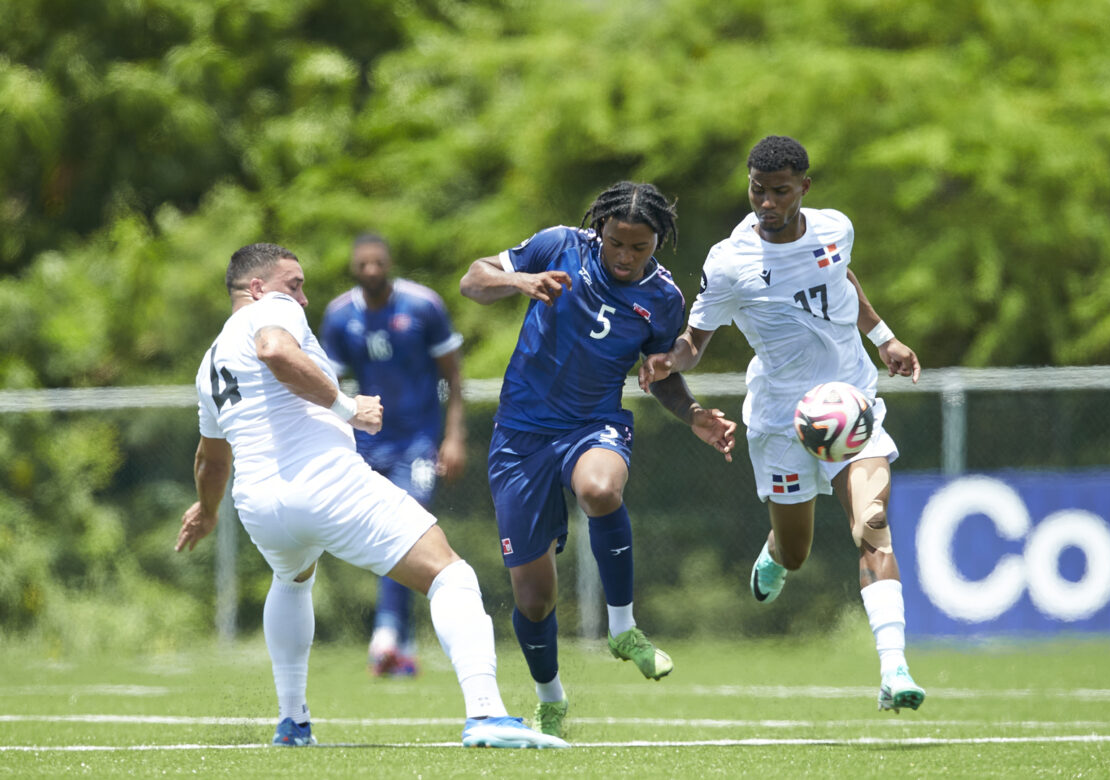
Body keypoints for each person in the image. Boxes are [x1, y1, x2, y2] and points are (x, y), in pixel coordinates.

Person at [175, 242, 567, 749]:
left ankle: (292, 722)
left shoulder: (209, 363)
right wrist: (346, 407)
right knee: (452, 575)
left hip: (258, 503)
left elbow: (211, 459)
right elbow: (274, 350)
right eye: (295, 284)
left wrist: (207, 511)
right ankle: (487, 714)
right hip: (322, 480)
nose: (304, 297)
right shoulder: (272, 312)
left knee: (291, 581)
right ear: (258, 288)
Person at [638, 136, 927, 713]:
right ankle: (775, 553)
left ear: (804, 190)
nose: (765, 203)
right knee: (797, 552)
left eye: (779, 192)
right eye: (756, 190)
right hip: (780, 420)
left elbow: (845, 281)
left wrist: (885, 338)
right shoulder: (729, 262)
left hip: (850, 404)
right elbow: (696, 340)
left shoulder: (835, 228)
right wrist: (671, 361)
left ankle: (894, 670)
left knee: (872, 524)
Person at [459, 181, 737, 738]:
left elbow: (662, 374)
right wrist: (519, 280)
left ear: (658, 241)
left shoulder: (662, 298)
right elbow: (472, 281)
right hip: (521, 434)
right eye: (616, 244)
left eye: (640, 247)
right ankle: (551, 698)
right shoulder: (558, 246)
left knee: (601, 489)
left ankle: (623, 628)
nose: (627, 257)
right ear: (599, 232)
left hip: (593, 423)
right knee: (534, 601)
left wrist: (693, 414)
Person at [320, 232, 467, 678]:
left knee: (408, 524)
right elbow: (324, 386)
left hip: (418, 440)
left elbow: (454, 378)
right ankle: (397, 644)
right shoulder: (339, 316)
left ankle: (385, 633)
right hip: (365, 444)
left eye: (377, 263)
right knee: (378, 533)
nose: (370, 271)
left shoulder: (423, 306)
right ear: (353, 269)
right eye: (362, 264)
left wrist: (454, 436)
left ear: (390, 263)